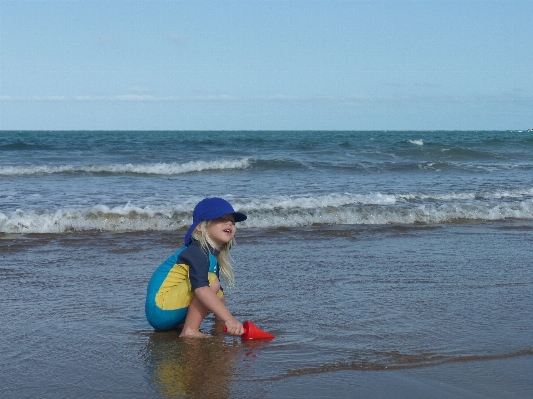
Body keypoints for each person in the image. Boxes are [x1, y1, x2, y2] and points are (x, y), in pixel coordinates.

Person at [145, 197, 247, 338]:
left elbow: (216, 295)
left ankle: (203, 324)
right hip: (160, 309)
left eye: (232, 221)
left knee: (217, 292)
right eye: (221, 218)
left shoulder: (211, 256)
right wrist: (230, 319)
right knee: (209, 283)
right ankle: (190, 330)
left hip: (170, 314)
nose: (229, 223)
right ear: (200, 227)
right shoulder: (197, 251)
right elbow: (201, 289)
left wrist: (225, 323)